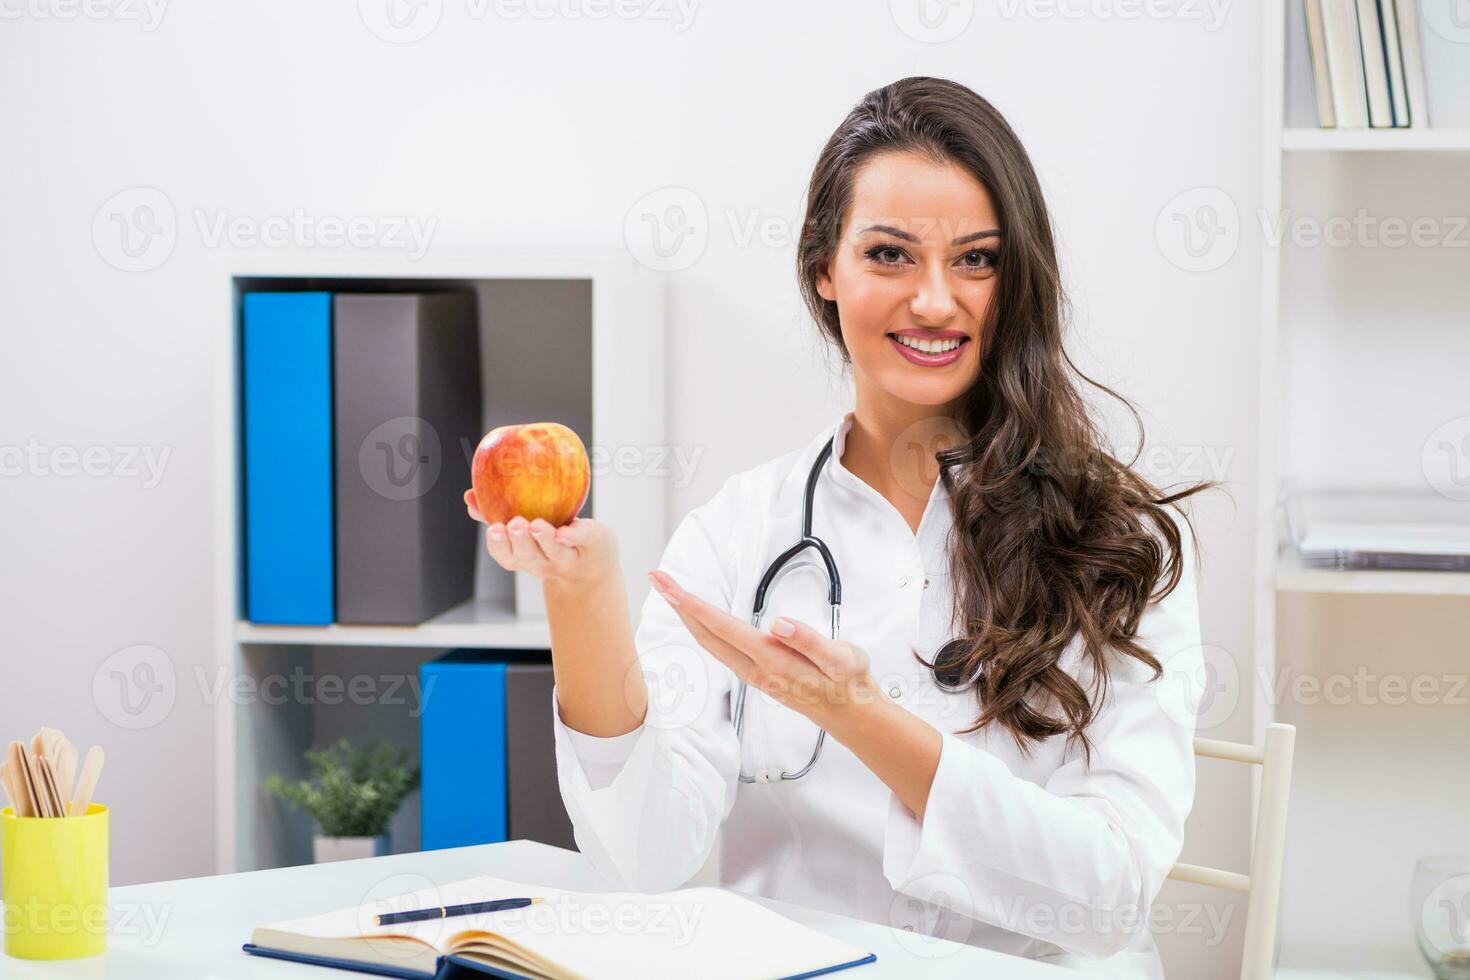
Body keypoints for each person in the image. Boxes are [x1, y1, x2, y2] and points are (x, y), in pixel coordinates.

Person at [464, 75, 1220, 979]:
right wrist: (580, 597)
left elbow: (1113, 895)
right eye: (891, 255)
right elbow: (641, 860)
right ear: (826, 268)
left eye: (976, 259)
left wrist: (856, 719)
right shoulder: (741, 530)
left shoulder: (1116, 544)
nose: (936, 301)